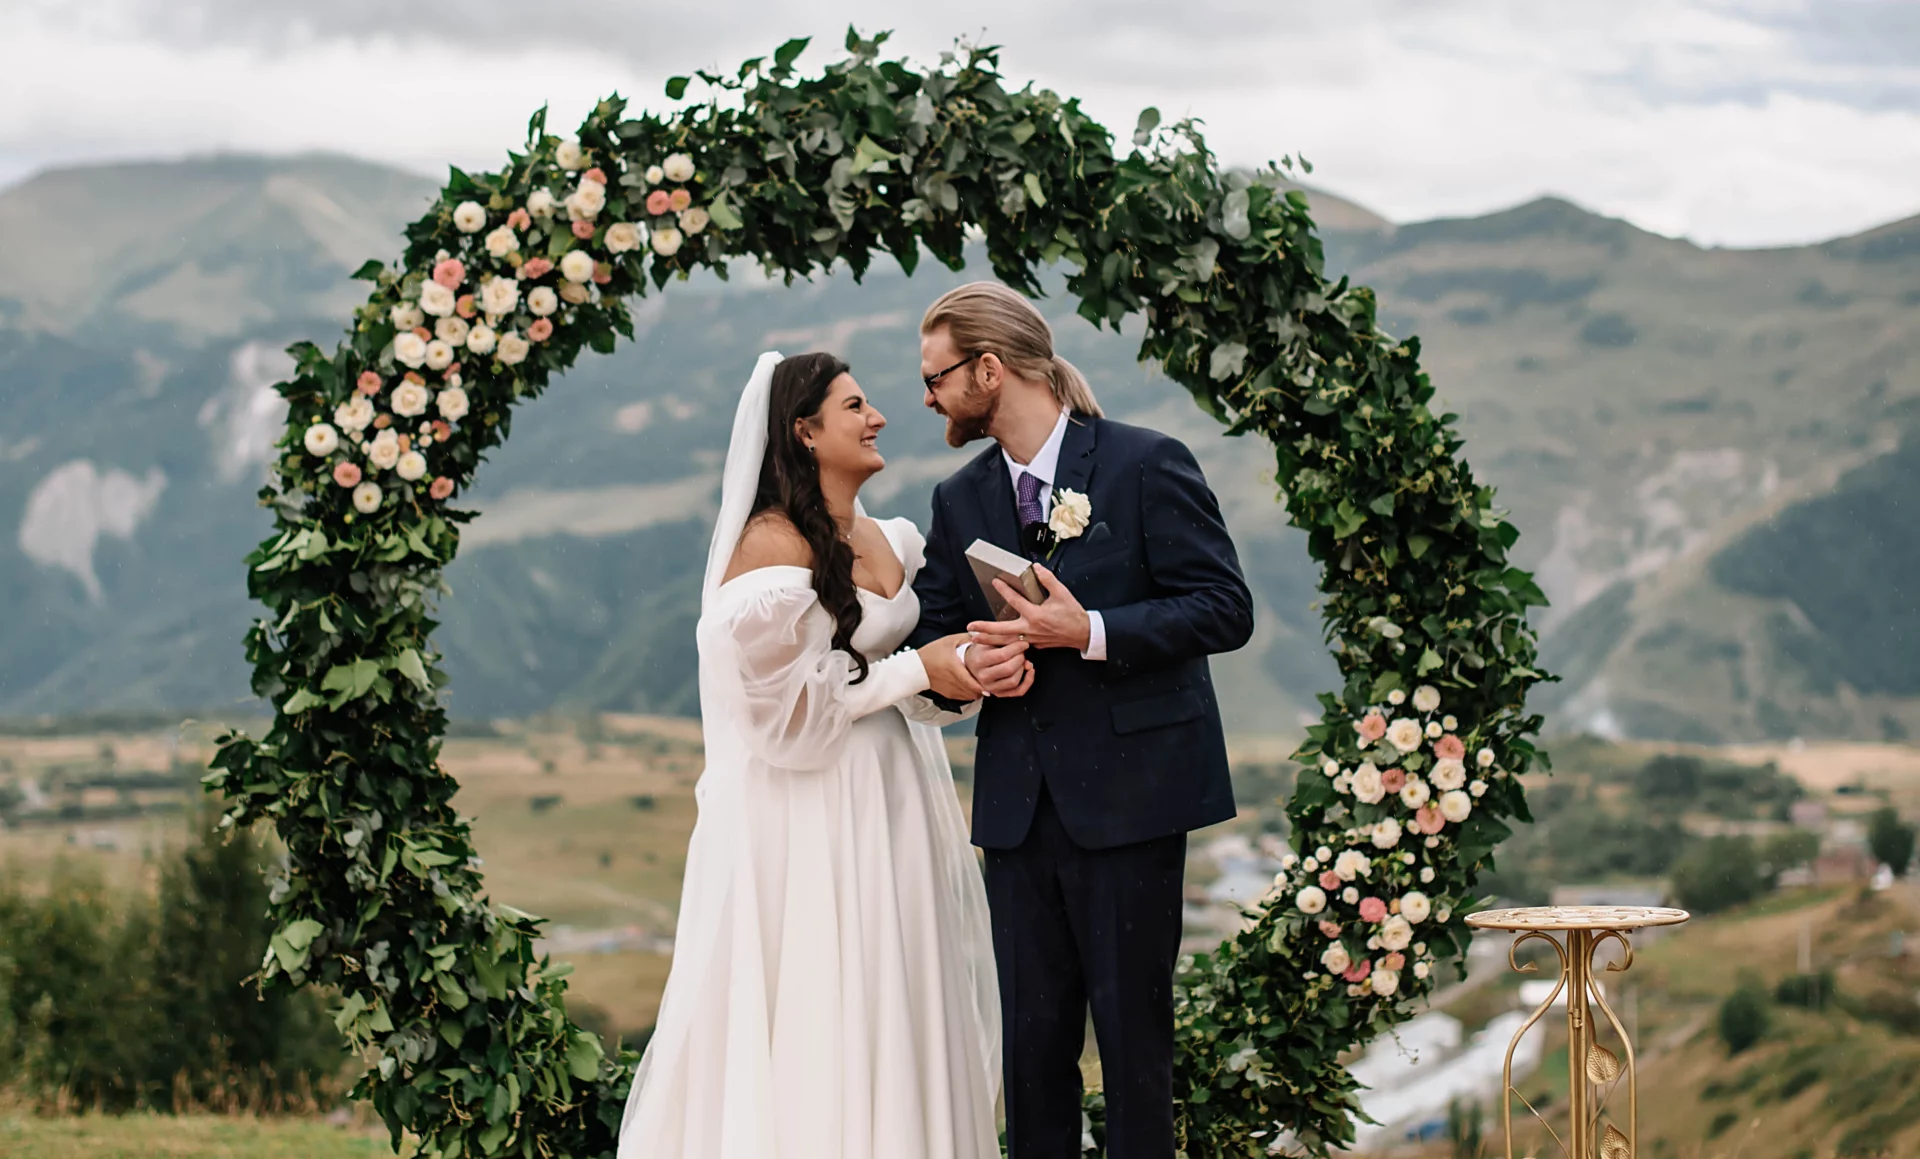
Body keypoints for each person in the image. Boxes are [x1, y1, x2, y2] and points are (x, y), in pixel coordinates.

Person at [618, 351, 1007, 1159]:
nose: (879, 417)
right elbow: (782, 717)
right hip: (808, 812)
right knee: (824, 998)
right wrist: (915, 669)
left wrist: (961, 671)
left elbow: (918, 679)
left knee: (896, 989)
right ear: (803, 431)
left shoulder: (893, 538)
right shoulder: (768, 549)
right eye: (856, 405)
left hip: (892, 797)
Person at [909, 282, 1254, 1159]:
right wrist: (973, 667)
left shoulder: (1145, 463)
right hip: (1018, 814)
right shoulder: (958, 498)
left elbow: (1224, 607)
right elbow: (934, 641)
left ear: (990, 369)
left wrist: (1090, 629)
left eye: (938, 377)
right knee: (1030, 1054)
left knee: (1135, 1050)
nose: (929, 398)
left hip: (1134, 803)